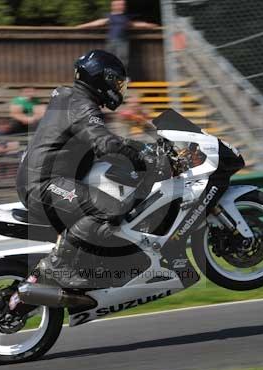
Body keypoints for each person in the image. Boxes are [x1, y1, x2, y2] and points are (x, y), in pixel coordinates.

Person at [15, 50, 149, 289]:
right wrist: (140, 157)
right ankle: (58, 263)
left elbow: (97, 140)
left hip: (42, 179)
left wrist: (141, 147)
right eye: (115, 82)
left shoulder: (73, 99)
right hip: (44, 183)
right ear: (101, 78)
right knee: (110, 206)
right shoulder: (82, 105)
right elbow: (104, 142)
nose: (119, 88)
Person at [77, 0, 159, 68]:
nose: (121, 6)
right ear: (114, 6)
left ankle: (121, 77)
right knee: (108, 60)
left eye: (122, 5)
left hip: (123, 42)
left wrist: (149, 25)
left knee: (122, 60)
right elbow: (97, 23)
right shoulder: (110, 17)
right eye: (119, 5)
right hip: (111, 41)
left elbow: (136, 24)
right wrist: (82, 26)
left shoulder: (125, 17)